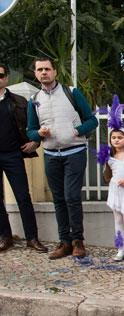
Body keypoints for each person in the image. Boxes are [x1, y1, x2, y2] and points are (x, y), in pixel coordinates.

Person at [26, 57, 98, 259]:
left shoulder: (71, 93)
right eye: (40, 69)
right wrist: (38, 134)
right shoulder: (34, 100)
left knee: (72, 197)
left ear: (55, 71)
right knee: (58, 200)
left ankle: (78, 241)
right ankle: (64, 241)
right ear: (36, 73)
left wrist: (76, 131)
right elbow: (30, 131)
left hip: (73, 152)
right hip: (50, 155)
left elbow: (92, 121)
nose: (44, 72)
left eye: (47, 69)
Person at [0, 63, 47, 253]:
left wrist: (34, 142)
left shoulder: (18, 101)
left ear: (6, 78)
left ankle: (32, 238)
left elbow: (33, 125)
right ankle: (5, 236)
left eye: (0, 75)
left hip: (13, 154)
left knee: (23, 197)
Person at [93, 95, 124, 263]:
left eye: (119, 137)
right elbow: (107, 177)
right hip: (116, 190)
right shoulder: (109, 157)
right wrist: (108, 172)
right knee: (118, 221)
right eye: (113, 138)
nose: (116, 140)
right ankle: (120, 249)